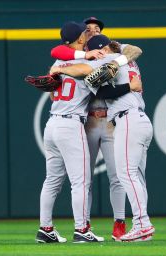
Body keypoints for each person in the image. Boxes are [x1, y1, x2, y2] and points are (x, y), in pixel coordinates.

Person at [49, 34, 155, 242]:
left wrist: (61, 69)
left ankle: (142, 224)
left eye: (97, 53)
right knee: (137, 178)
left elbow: (95, 83)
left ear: (103, 50)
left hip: (128, 120)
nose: (95, 57)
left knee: (126, 175)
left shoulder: (107, 60)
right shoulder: (125, 59)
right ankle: (141, 226)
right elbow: (132, 53)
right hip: (141, 119)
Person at [35, 21, 105, 244]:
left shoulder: (57, 62)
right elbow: (87, 71)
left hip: (52, 123)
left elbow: (51, 91)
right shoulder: (85, 61)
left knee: (52, 181)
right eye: (84, 34)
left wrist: (58, 70)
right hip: (70, 125)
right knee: (80, 181)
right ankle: (82, 230)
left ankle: (45, 229)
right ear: (81, 39)